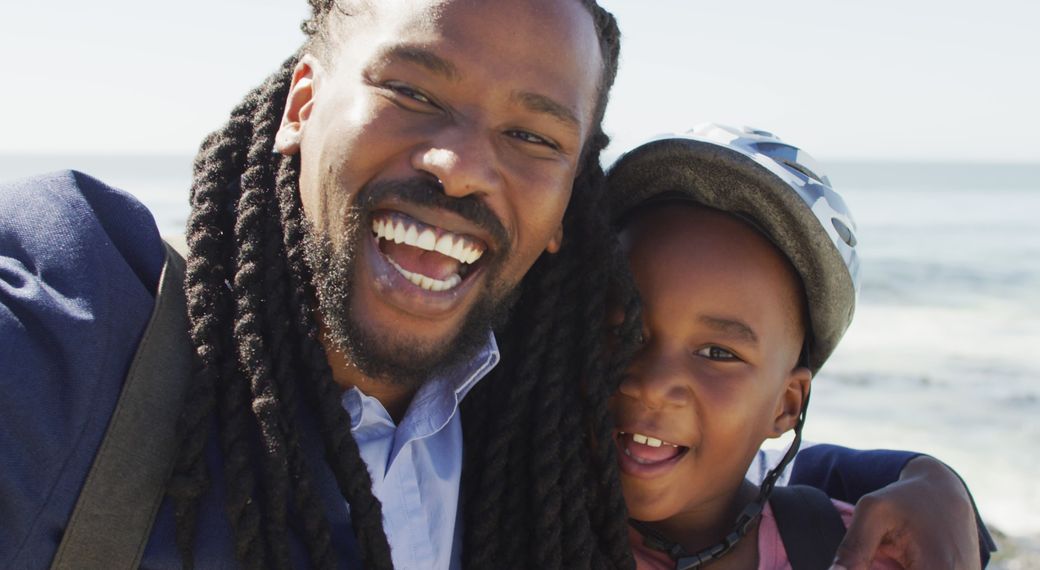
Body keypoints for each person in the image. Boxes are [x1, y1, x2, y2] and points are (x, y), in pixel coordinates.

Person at [0, 1, 986, 568]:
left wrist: (935, 491)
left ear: (564, 210)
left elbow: (734, 478)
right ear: (303, 101)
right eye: (415, 90)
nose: (463, 165)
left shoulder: (515, 416)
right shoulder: (90, 331)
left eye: (533, 135)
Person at [604, 124, 988, 569]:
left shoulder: (849, 551)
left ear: (786, 406)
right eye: (624, 331)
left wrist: (938, 484)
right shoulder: (519, 523)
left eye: (717, 353)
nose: (653, 385)